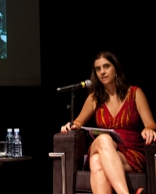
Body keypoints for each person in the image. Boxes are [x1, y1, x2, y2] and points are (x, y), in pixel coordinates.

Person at [60, 51, 156, 194]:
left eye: (106, 66)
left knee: (96, 161)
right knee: (104, 139)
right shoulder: (95, 98)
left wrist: (148, 128)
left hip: (130, 153)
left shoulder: (135, 93)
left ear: (115, 68)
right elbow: (78, 122)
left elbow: (151, 124)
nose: (102, 72)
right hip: (102, 145)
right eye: (98, 69)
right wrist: (70, 124)